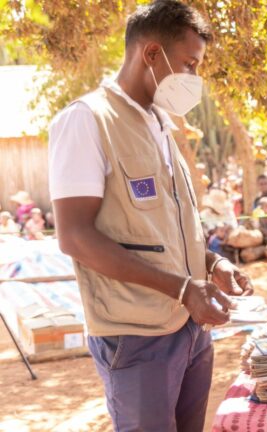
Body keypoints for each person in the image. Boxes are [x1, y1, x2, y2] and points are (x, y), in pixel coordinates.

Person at [47, 3, 253, 430]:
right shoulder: (87, 121)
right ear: (152, 54)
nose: (194, 78)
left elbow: (165, 229)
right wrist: (183, 289)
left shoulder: (160, 124)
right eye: (189, 65)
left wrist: (213, 263)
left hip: (190, 328)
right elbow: (75, 236)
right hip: (136, 335)